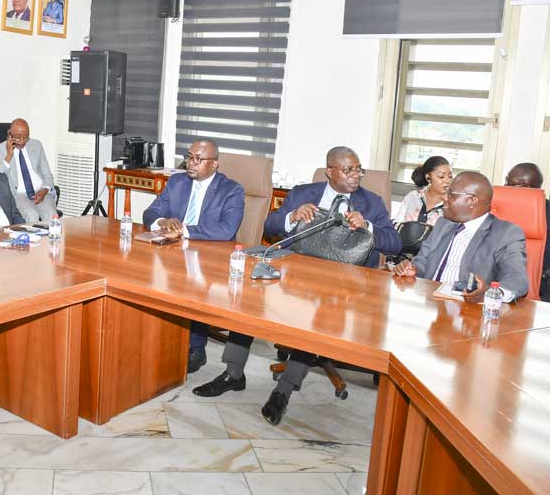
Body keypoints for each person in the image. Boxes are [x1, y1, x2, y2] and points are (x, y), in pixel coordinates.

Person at [192, 146, 402, 426]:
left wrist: (369, 226)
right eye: (348, 170)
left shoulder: (371, 202)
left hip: (343, 284)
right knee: (250, 300)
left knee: (313, 324)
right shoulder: (304, 193)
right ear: (330, 171)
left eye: (358, 170)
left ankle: (283, 391)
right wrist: (292, 216)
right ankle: (233, 374)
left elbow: (395, 244)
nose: (356, 175)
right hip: (296, 273)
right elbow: (270, 226)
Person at [142, 139, 245, 374]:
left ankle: (196, 349)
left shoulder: (232, 190)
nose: (191, 163)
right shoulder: (177, 182)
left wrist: (184, 230)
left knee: (194, 287)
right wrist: (162, 221)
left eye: (198, 159)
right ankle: (162, 341)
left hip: (211, 258)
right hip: (175, 253)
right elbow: (151, 212)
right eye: (189, 157)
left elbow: (226, 230)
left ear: (214, 164)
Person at [394, 171, 529, 302]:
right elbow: (422, 261)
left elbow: (517, 279)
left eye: (450, 194)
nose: (444, 198)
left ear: (471, 200)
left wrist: (489, 293)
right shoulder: (443, 223)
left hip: (467, 309)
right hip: (431, 302)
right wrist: (413, 269)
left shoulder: (506, 233)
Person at [505, 162, 550, 287]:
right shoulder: (500, 208)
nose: (505, 187)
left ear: (527, 188)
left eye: (510, 184)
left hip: (531, 282)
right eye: (506, 181)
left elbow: (549, 263)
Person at [0, 119, 57, 223]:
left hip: (40, 191)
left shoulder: (36, 145)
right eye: (18, 137)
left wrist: (45, 190)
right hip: (18, 194)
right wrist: (9, 155)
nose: (22, 140)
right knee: (32, 214)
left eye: (26, 136)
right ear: (9, 134)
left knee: (51, 213)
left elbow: (47, 174)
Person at [393, 156, 451, 226]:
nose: (447, 181)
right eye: (441, 176)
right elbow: (397, 224)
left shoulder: (452, 204)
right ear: (428, 177)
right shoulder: (413, 196)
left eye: (450, 177)